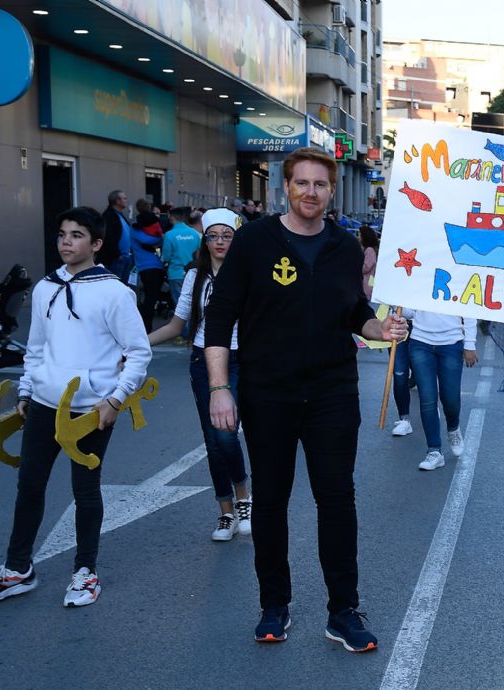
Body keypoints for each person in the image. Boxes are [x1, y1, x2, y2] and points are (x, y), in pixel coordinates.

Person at [204, 147, 407, 649]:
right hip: (268, 392)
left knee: (337, 500)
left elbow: (353, 310)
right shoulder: (254, 241)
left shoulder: (343, 246)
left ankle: (344, 611)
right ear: (286, 188)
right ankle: (274, 604)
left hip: (332, 392)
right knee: (271, 500)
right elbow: (219, 319)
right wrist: (219, 388)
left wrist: (379, 326)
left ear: (331, 191)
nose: (311, 192)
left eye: (320, 185)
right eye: (302, 183)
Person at [0, 206, 151, 608]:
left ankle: (85, 572)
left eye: (76, 235)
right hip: (43, 404)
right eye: (62, 234)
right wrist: (26, 392)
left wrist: (115, 400)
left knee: (85, 491)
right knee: (29, 485)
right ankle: (18, 569)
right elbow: (36, 349)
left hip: (91, 410)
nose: (66, 242)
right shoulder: (45, 288)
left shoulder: (115, 293)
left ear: (97, 244)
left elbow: (138, 353)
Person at [148, 209, 251, 541]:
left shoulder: (250, 273)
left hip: (240, 359)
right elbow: (177, 326)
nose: (220, 242)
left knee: (226, 435)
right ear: (204, 240)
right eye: (213, 236)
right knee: (212, 439)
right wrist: (135, 345)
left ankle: (244, 497)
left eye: (226, 236)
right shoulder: (195, 276)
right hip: (202, 360)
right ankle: (226, 512)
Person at [402, 309, 477, 470]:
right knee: (427, 398)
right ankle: (434, 450)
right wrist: (397, 303)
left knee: (450, 399)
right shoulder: (417, 281)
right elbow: (409, 312)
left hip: (451, 343)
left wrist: (470, 343)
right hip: (420, 342)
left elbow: (470, 307)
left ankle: (453, 427)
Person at [131, 203, 165, 332]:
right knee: (151, 298)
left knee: (150, 298)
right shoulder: (138, 232)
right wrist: (160, 237)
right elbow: (148, 241)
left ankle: (146, 326)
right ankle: (146, 327)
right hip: (152, 267)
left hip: (146, 268)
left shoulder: (136, 231)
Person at [161, 207, 201, 304]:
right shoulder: (194, 233)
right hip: (193, 272)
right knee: (193, 303)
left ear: (171, 217)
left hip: (176, 273)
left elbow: (166, 257)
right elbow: (199, 253)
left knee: (180, 306)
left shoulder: (169, 235)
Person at [101, 190, 133, 280]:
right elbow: (108, 237)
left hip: (126, 257)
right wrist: (117, 255)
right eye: (124, 198)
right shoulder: (109, 216)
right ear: (117, 201)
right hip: (117, 259)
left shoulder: (120, 215)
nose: (126, 200)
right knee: (116, 285)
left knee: (124, 287)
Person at [358, 224, 378, 301]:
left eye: (360, 235)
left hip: (367, 284)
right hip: (366, 283)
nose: (358, 237)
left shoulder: (369, 250)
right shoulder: (368, 249)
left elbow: (366, 267)